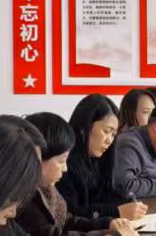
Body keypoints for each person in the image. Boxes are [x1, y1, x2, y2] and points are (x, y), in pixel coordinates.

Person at [16, 112, 143, 236]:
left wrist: (107, 223)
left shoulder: (46, 187)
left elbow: (66, 220)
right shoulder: (25, 199)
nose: (65, 168)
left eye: (113, 134)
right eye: (61, 161)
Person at [56, 94, 147, 223]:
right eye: (106, 131)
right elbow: (71, 214)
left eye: (113, 134)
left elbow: (106, 194)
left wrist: (127, 201)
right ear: (85, 127)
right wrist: (117, 211)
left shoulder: (100, 158)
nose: (109, 140)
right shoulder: (63, 163)